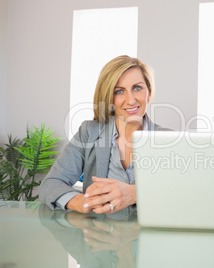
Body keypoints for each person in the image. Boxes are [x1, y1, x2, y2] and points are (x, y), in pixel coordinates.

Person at [39, 55, 170, 214]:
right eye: (119, 91)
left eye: (137, 88)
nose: (130, 100)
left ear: (148, 93)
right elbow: (50, 184)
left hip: (149, 234)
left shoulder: (169, 140)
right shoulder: (89, 132)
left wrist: (135, 194)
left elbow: (185, 191)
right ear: (109, 97)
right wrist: (83, 202)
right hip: (99, 234)